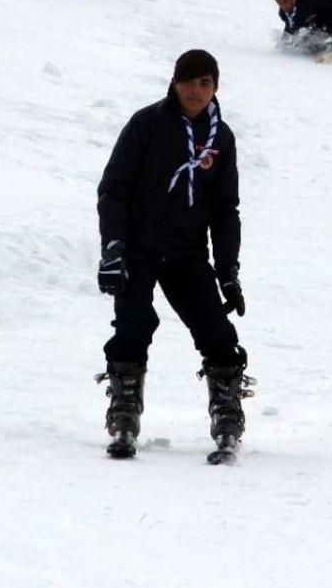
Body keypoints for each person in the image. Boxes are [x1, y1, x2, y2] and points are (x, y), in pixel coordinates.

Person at [96, 50, 252, 458]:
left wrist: (228, 271)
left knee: (215, 331)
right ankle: (124, 410)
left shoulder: (221, 138)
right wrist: (113, 248)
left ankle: (227, 411)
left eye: (205, 82)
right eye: (188, 81)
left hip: (186, 253)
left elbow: (224, 210)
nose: (196, 91)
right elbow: (114, 190)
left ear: (216, 86)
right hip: (138, 250)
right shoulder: (147, 124)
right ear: (174, 81)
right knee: (132, 326)